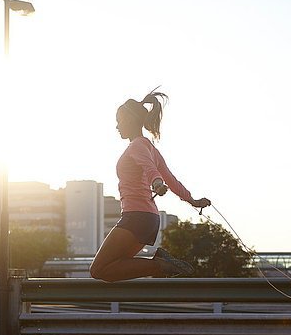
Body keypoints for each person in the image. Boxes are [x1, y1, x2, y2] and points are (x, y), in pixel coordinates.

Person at [90, 89, 211, 282]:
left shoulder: (137, 146)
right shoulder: (149, 147)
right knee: (117, 264)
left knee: (98, 269)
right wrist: (192, 201)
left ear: (130, 120)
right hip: (148, 219)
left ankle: (159, 265)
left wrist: (156, 183)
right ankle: (159, 263)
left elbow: (151, 170)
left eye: (119, 120)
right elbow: (171, 179)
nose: (117, 126)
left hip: (136, 217)